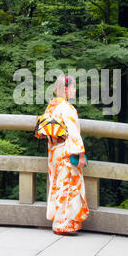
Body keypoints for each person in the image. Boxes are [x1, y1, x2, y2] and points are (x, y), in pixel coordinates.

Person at [45, 74, 89, 236]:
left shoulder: (51, 107)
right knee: (68, 185)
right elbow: (73, 133)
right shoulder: (67, 108)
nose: (75, 90)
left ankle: (58, 221)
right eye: (73, 87)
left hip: (55, 151)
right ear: (65, 88)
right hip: (66, 150)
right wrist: (81, 154)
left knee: (58, 185)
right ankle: (64, 224)